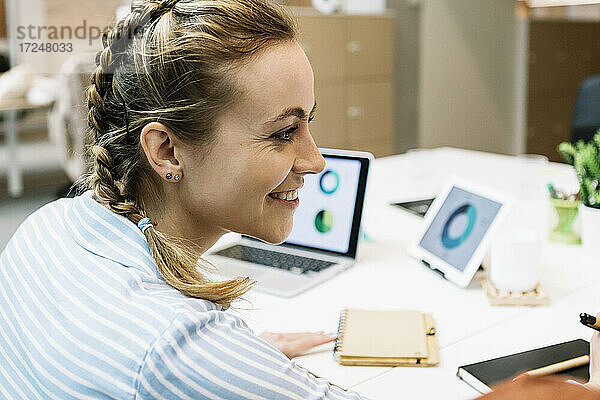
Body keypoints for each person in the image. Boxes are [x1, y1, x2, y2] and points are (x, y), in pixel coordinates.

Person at [0, 0, 364, 398]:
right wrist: (218, 367)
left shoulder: (43, 226)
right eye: (283, 133)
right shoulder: (175, 348)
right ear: (167, 151)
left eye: (307, 122)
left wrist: (239, 364)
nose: (316, 161)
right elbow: (163, 357)